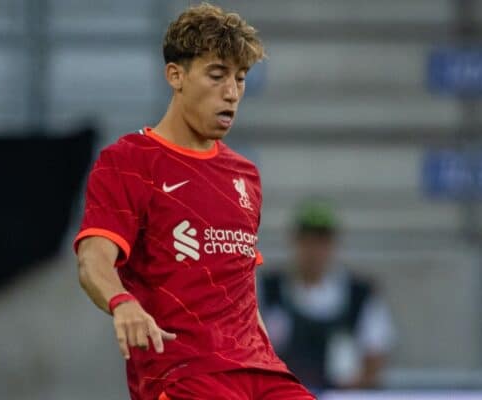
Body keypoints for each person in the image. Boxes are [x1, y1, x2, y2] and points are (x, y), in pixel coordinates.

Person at [73, 3, 315, 400]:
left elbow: (241, 290)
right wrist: (122, 302)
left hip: (263, 373)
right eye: (217, 76)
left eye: (240, 79)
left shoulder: (245, 175)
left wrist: (270, 357)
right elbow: (92, 258)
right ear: (176, 76)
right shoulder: (130, 160)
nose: (232, 93)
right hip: (186, 375)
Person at [259, 200, 395, 391]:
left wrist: (351, 387)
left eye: (321, 241)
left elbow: (375, 356)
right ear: (294, 241)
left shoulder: (361, 295)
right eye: (307, 241)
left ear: (333, 244)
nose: (314, 251)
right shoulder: (267, 290)